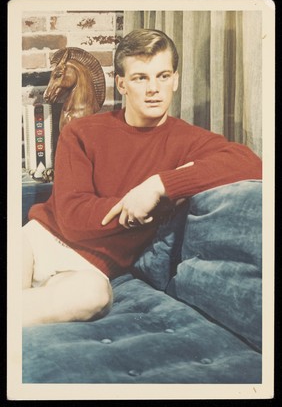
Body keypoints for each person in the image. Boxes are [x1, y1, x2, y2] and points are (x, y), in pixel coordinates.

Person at [22, 29, 262, 327]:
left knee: (92, 298)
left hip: (90, 272)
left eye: (163, 76)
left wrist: (158, 185)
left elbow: (251, 163)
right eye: (140, 78)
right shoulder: (81, 131)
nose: (154, 88)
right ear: (122, 84)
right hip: (37, 241)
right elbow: (72, 216)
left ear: (175, 79)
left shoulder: (187, 139)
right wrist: (132, 207)